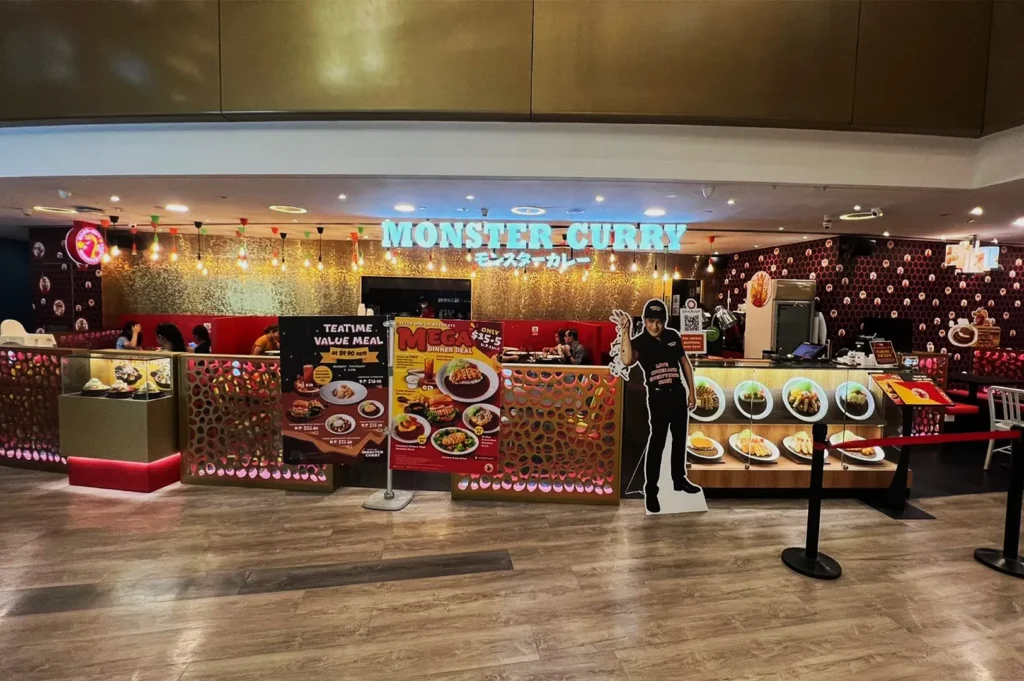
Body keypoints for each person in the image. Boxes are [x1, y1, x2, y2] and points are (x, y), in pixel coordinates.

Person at [612, 300, 701, 514]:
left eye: (659, 321)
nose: (655, 326)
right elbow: (627, 360)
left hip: (677, 393)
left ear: (664, 321)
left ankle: (679, 480)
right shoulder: (639, 341)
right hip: (658, 397)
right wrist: (625, 331)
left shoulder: (672, 336)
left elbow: (684, 363)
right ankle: (651, 489)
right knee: (657, 442)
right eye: (650, 321)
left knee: (680, 439)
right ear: (644, 321)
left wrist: (692, 391)